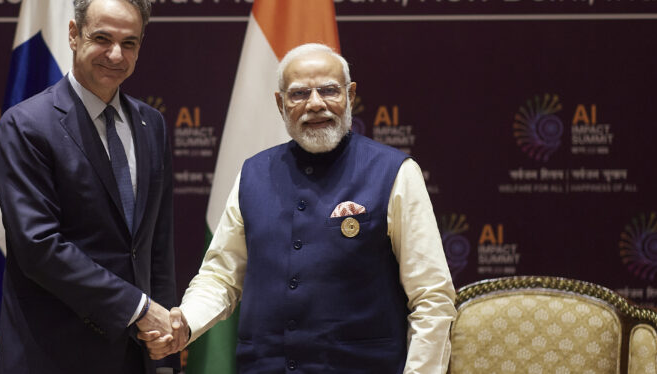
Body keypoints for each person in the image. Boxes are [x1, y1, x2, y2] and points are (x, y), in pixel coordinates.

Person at [142, 43, 456, 373]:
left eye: (329, 90)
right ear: (280, 104)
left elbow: (432, 298)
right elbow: (221, 276)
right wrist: (187, 321)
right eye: (299, 94)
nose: (315, 103)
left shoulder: (395, 172)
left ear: (350, 95)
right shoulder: (253, 173)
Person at [0, 0, 178, 374]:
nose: (116, 54)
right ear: (74, 35)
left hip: (135, 355)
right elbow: (38, 245)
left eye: (129, 43)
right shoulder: (27, 125)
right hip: (52, 354)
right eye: (102, 38)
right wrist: (138, 308)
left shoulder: (152, 124)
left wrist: (162, 346)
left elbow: (156, 245)